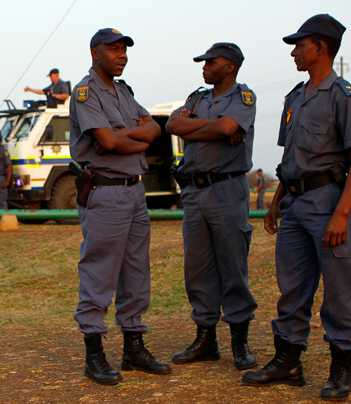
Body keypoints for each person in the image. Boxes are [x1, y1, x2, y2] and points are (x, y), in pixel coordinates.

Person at [242, 15, 351, 402]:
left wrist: (343, 213)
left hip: (329, 200)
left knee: (339, 288)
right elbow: (289, 158)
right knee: (292, 286)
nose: (294, 52)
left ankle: (341, 370)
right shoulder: (295, 97)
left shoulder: (344, 95)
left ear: (321, 47)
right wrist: (276, 202)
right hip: (295, 201)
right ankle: (289, 361)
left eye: (300, 45)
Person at [70, 28, 168, 386]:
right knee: (99, 272)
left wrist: (123, 138)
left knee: (136, 272)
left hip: (134, 191)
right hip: (106, 191)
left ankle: (133, 346)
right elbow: (108, 141)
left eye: (124, 49)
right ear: (95, 53)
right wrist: (128, 137)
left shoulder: (124, 91)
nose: (122, 55)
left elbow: (155, 130)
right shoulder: (86, 92)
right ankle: (94, 353)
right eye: (114, 49)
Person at [165, 42, 258, 371]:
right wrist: (215, 128)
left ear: (230, 66)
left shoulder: (243, 98)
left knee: (233, 266)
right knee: (198, 269)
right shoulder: (197, 98)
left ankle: (240, 342)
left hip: (227, 190)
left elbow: (228, 127)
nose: (204, 66)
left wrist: (208, 129)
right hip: (193, 193)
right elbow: (172, 126)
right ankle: (206, 339)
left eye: (210, 61)